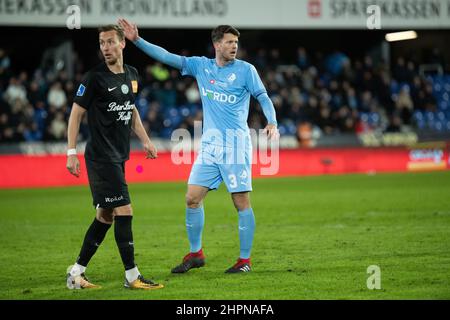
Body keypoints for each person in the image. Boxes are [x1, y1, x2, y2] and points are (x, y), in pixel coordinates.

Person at [118, 18, 279, 273]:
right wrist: (137, 40)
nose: (234, 46)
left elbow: (262, 95)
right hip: (210, 147)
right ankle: (196, 254)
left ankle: (244, 261)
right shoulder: (201, 66)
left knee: (240, 202)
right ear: (216, 44)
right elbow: (167, 57)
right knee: (192, 198)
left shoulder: (246, 70)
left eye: (236, 42)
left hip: (236, 145)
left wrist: (271, 120)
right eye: (229, 42)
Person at [65, 24, 163, 290]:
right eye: (101, 43)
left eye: (110, 42)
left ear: (122, 44)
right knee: (124, 210)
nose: (105, 47)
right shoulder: (93, 78)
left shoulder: (131, 74)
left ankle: (76, 273)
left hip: (119, 156)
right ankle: (132, 276)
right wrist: (71, 151)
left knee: (105, 216)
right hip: (100, 157)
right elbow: (75, 114)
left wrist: (145, 140)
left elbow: (131, 110)